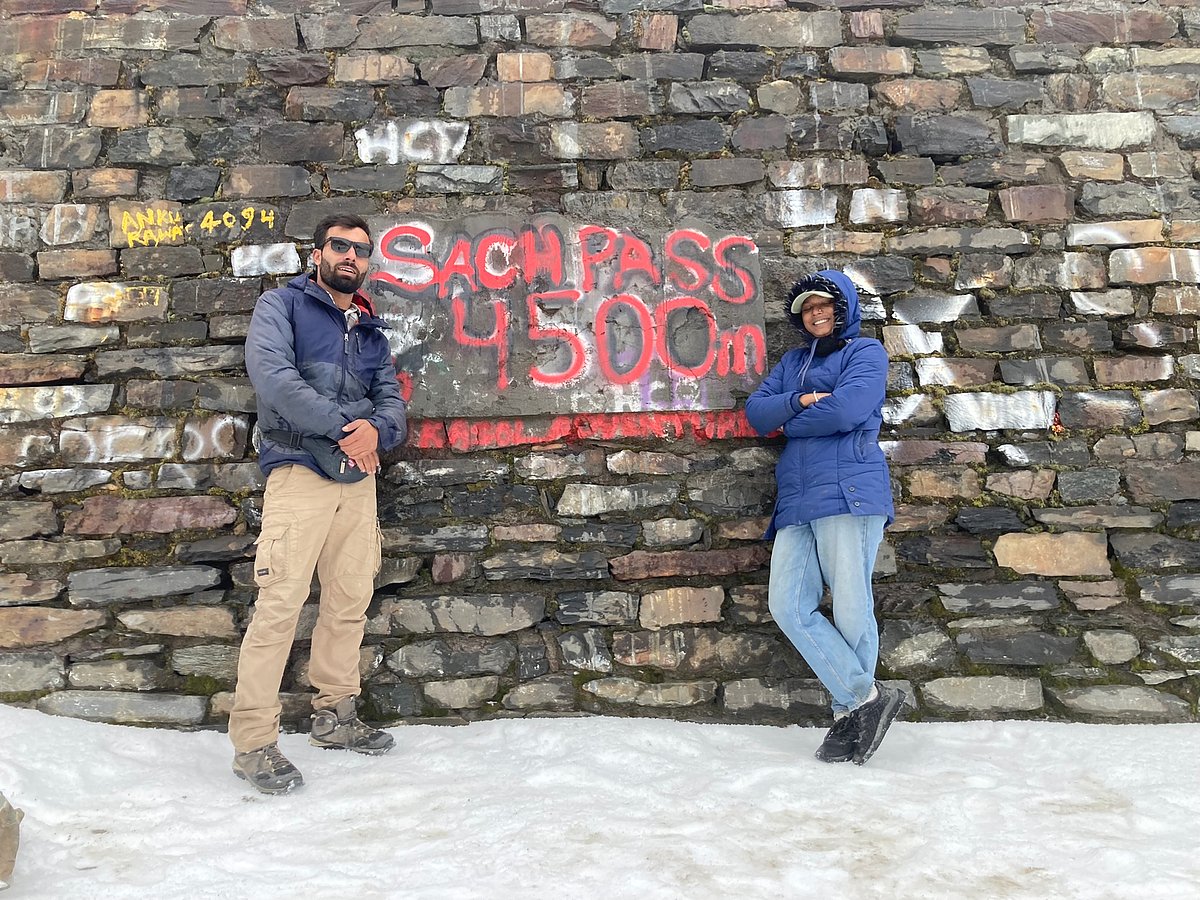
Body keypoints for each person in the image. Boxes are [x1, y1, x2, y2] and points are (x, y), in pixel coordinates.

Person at [230, 213, 408, 794]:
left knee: (350, 599)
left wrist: (377, 433)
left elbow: (392, 400)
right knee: (280, 605)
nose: (351, 256)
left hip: (358, 480)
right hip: (301, 473)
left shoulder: (371, 329)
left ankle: (336, 715)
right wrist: (347, 429)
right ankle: (254, 742)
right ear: (317, 253)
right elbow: (275, 381)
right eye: (340, 246)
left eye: (361, 249)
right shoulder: (280, 307)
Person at [745, 269, 903, 766]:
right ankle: (865, 699)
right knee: (788, 605)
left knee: (852, 607)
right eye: (807, 309)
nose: (816, 314)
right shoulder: (792, 362)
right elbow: (756, 414)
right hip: (796, 496)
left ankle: (846, 714)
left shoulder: (866, 353)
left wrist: (790, 419)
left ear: (844, 308)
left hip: (850, 490)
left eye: (824, 306)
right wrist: (798, 400)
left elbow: (847, 412)